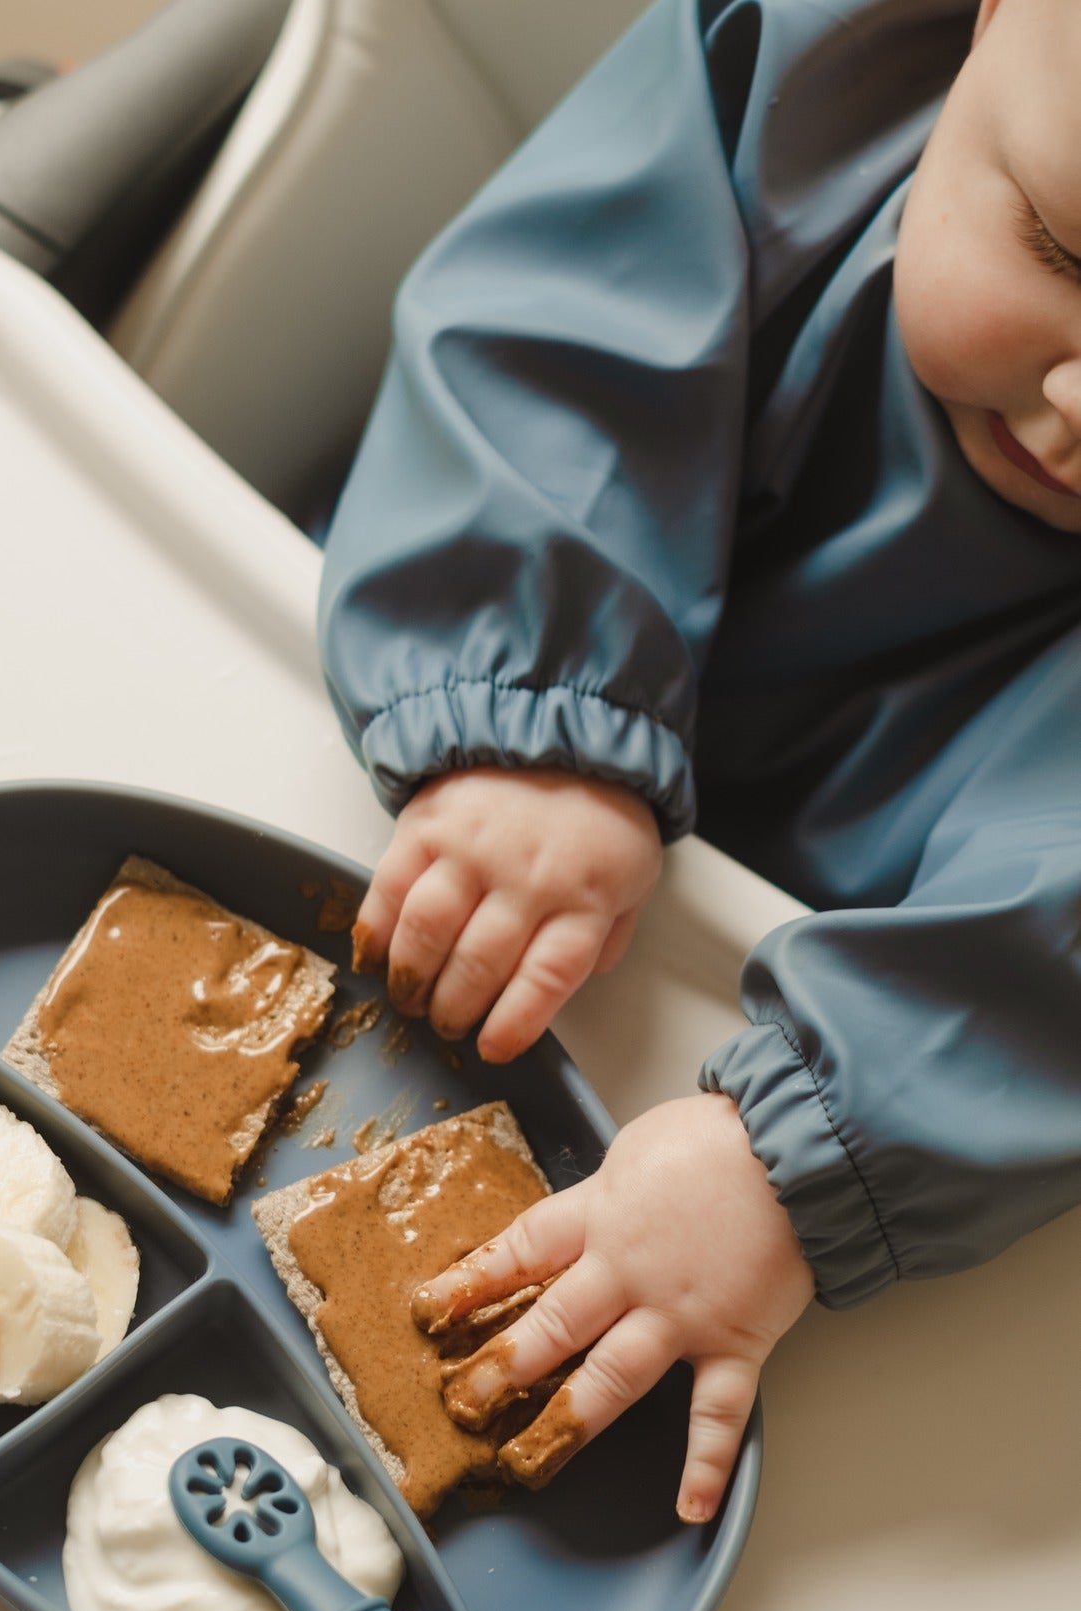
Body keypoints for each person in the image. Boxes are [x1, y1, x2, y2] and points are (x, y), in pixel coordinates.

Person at [315, 0, 1081, 1517]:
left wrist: (809, 1148)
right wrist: (530, 713)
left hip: (804, 1041)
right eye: (1064, 253)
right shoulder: (803, 73)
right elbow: (559, 339)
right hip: (444, 738)